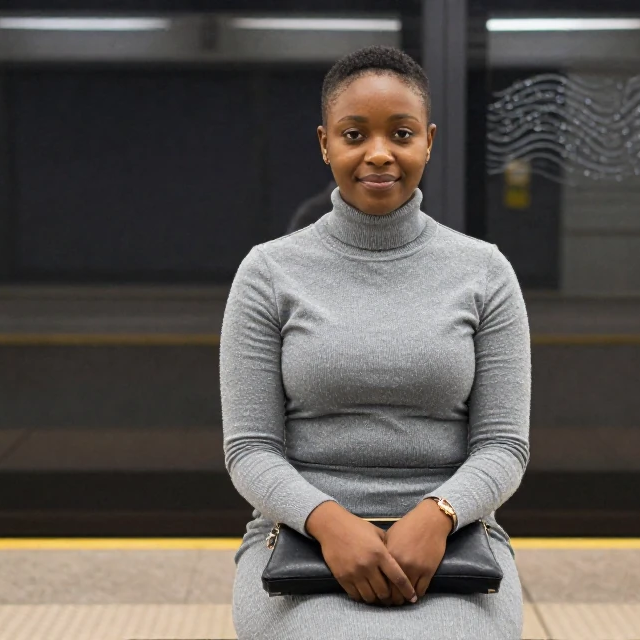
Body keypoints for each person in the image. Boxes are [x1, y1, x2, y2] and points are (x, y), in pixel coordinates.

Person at [220, 45, 530, 639]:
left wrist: (437, 516)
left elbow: (503, 447)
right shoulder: (268, 272)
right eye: (355, 133)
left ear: (429, 141)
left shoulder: (485, 272)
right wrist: (330, 522)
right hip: (298, 542)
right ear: (325, 143)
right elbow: (251, 449)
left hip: (457, 541)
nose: (379, 153)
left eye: (402, 133)